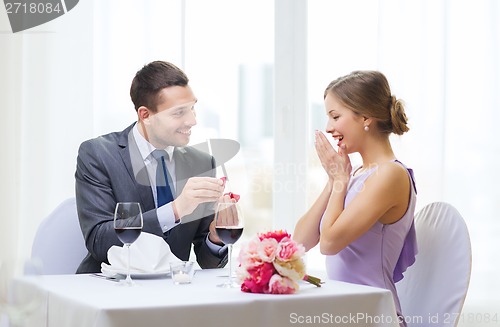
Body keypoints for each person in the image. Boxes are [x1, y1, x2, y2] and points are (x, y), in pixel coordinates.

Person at [75, 60, 230, 274]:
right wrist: (176, 209)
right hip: (110, 289)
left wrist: (215, 237)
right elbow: (99, 241)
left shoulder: (201, 163)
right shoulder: (98, 154)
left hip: (173, 292)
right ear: (145, 115)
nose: (192, 120)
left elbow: (208, 262)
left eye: (192, 108)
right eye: (179, 113)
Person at [293, 70, 417, 326]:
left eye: (335, 116)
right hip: (347, 312)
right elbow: (300, 243)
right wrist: (334, 181)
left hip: (374, 315)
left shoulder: (390, 175)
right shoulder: (357, 174)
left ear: (365, 117)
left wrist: (339, 182)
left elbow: (329, 243)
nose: (328, 128)